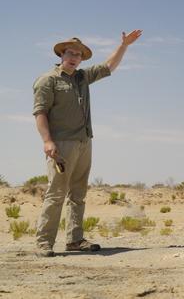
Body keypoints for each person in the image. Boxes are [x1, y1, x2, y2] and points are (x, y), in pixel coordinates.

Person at [32, 30, 142, 257]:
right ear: (61, 54)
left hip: (84, 142)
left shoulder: (82, 78)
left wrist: (124, 46)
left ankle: (74, 240)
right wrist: (47, 141)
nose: (74, 57)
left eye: (78, 54)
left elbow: (108, 67)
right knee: (56, 193)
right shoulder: (48, 80)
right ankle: (44, 242)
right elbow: (40, 112)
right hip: (61, 144)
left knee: (78, 194)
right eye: (70, 53)